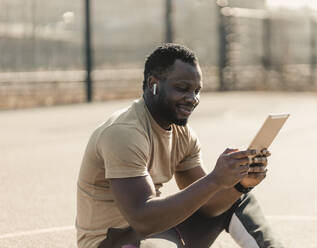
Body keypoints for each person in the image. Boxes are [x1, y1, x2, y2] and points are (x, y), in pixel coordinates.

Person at [76, 43, 283, 248]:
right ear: (153, 84)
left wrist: (240, 183)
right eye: (182, 89)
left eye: (197, 91)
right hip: (112, 241)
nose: (193, 99)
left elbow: (209, 206)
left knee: (234, 198)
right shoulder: (124, 132)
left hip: (154, 233)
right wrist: (215, 179)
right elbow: (142, 218)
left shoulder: (182, 134)